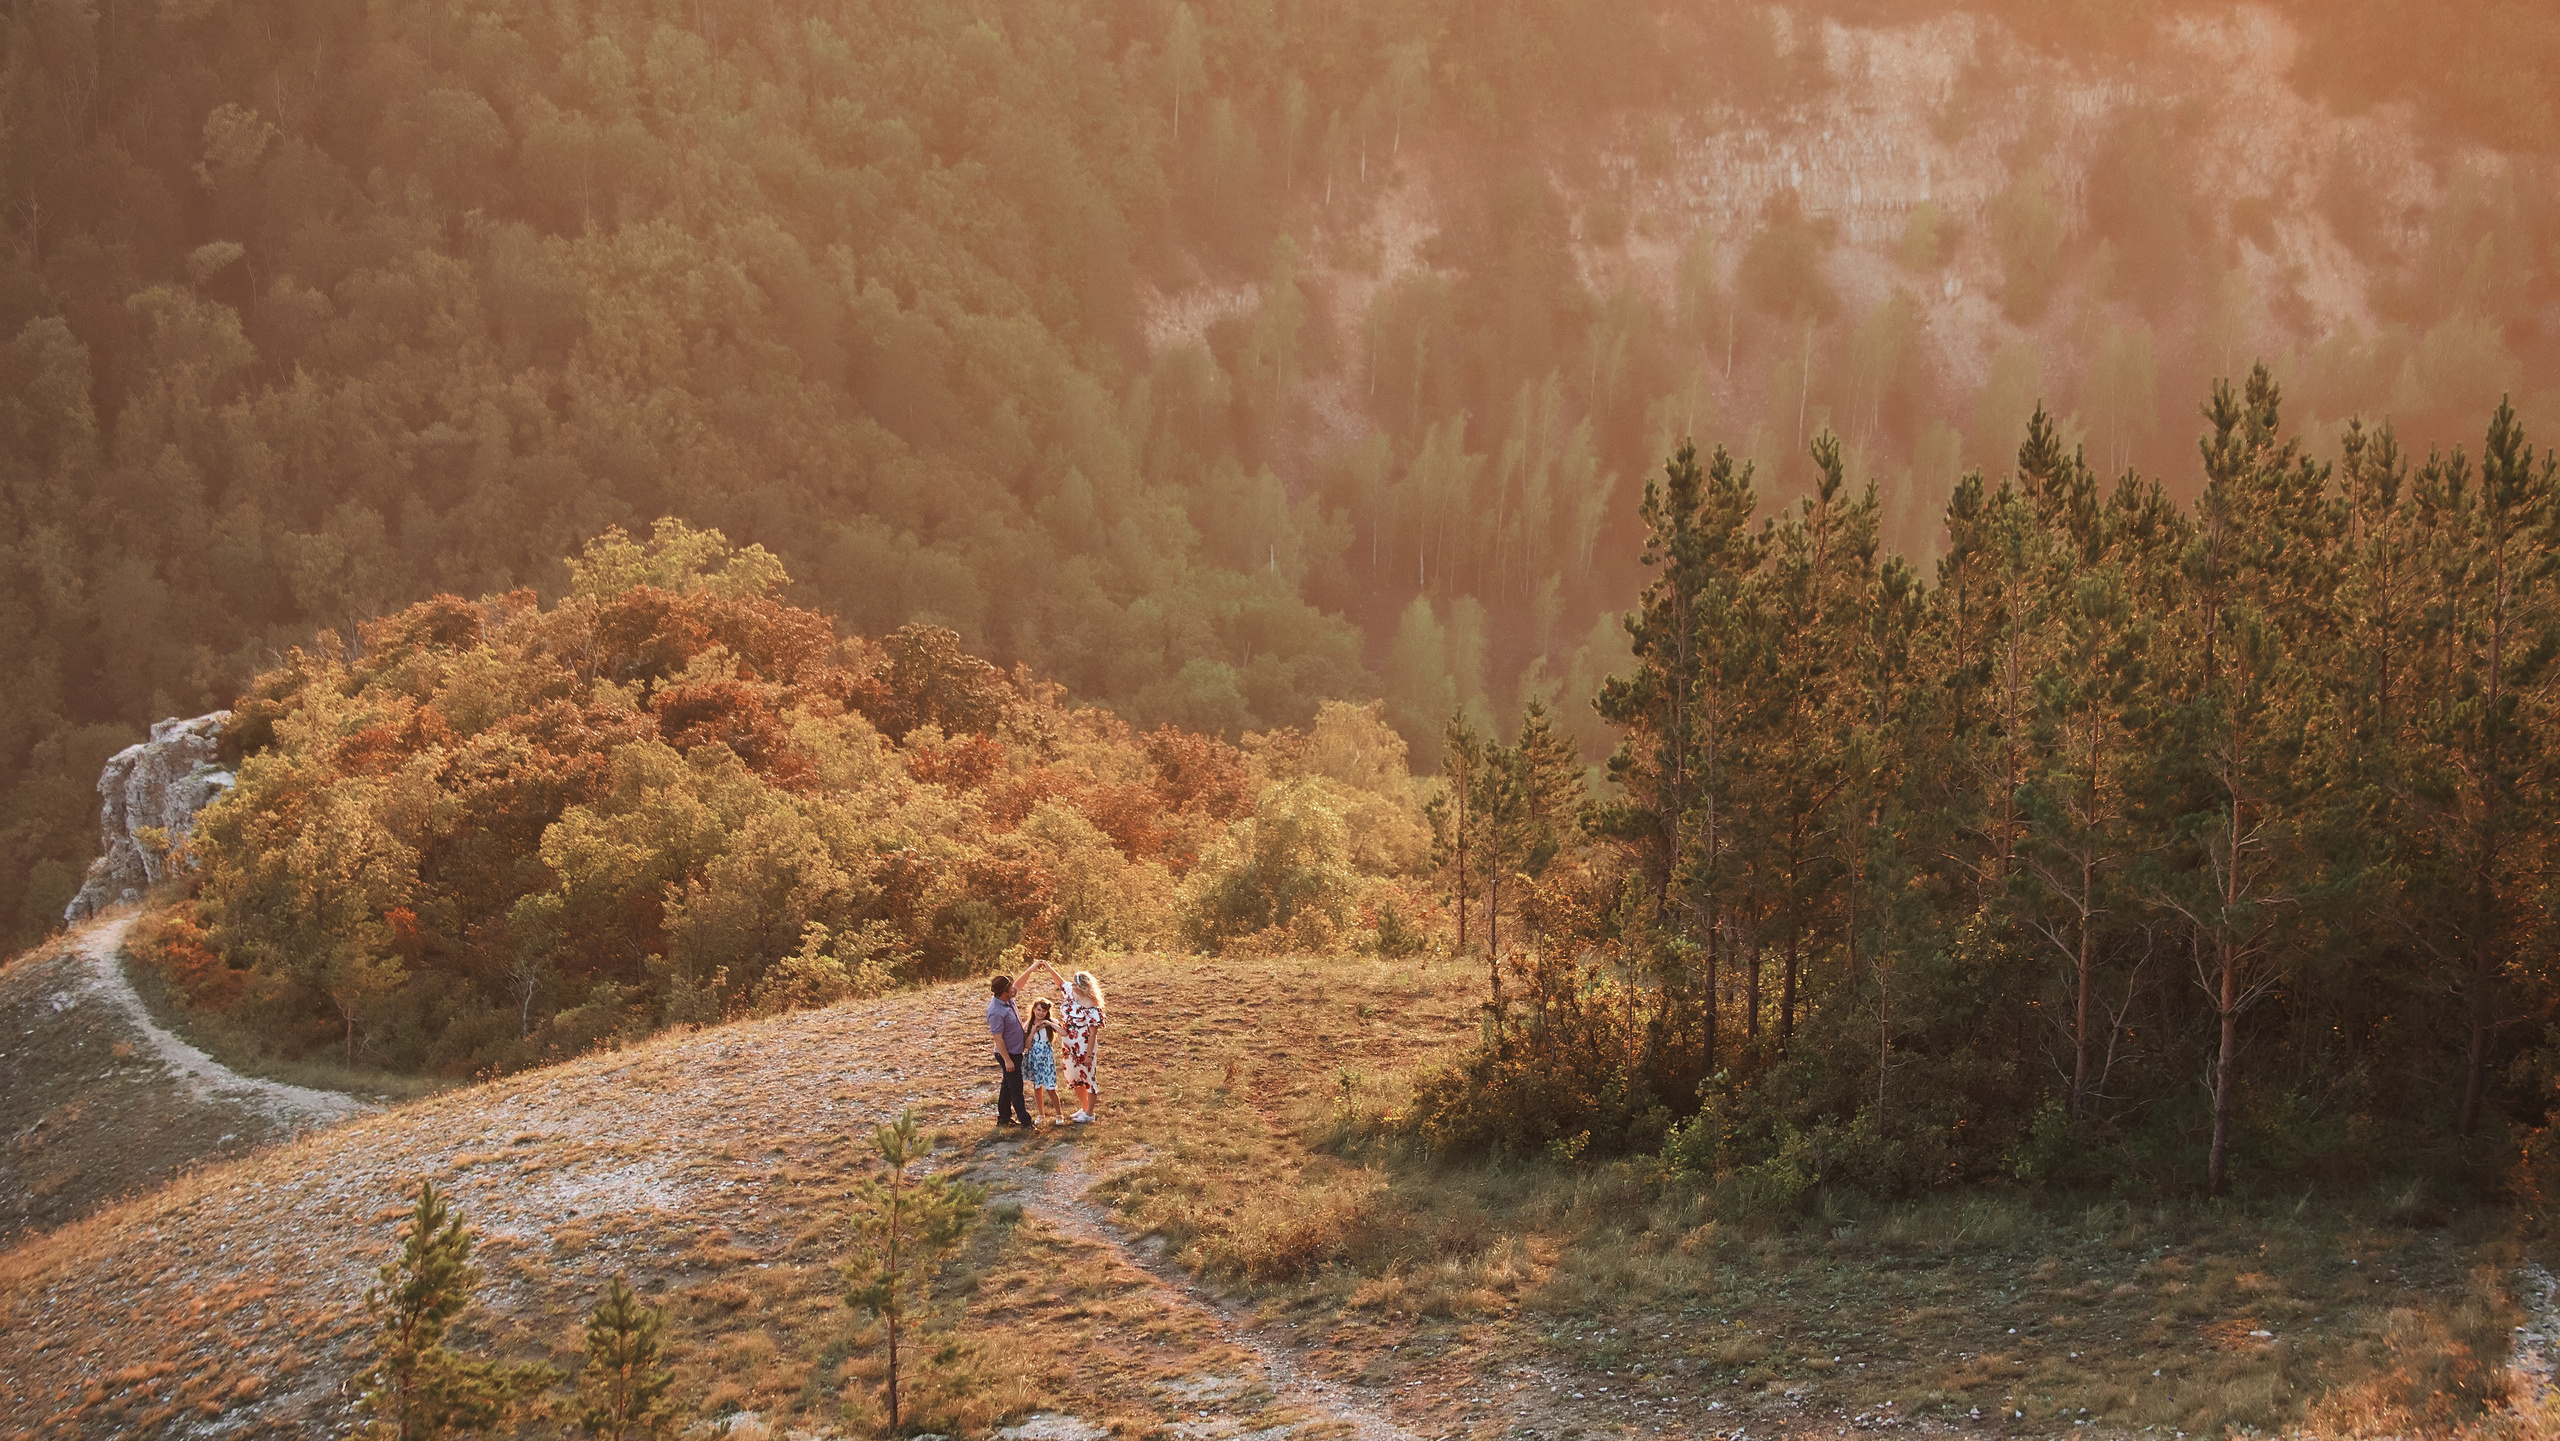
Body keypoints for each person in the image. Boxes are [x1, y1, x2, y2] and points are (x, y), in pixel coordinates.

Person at [1032, 961, 1107, 1123]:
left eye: (1075, 984)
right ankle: (1084, 1107)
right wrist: (1049, 968)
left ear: (1084, 987)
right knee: (1074, 1077)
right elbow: (1060, 983)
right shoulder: (1070, 993)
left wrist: (1088, 1054)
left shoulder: (1093, 1007)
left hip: (1084, 1044)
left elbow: (1093, 1033)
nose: (1072, 986)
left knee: (1088, 1077)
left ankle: (1090, 1113)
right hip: (1068, 1043)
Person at [986, 968, 1034, 1128]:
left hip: (1015, 1052)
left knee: (1007, 1086)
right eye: (1011, 988)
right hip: (1008, 1055)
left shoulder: (1008, 999)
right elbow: (998, 1039)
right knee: (1016, 1089)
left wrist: (1032, 968)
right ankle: (1026, 1123)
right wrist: (1007, 1060)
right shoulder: (996, 1011)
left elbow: (1019, 983)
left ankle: (1004, 1118)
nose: (1015, 989)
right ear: (1004, 993)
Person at [1025, 999, 1064, 1124]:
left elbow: (1064, 1032)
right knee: (1037, 1087)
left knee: (1050, 1088)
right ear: (1034, 1009)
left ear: (1047, 1012)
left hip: (1047, 1057)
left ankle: (1059, 1114)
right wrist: (1034, 1030)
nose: (1040, 1013)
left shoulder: (1051, 1023)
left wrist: (1049, 1023)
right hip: (1035, 1057)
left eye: (1044, 1011)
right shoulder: (1029, 1024)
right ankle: (1041, 1114)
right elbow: (1027, 1044)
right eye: (1038, 1010)